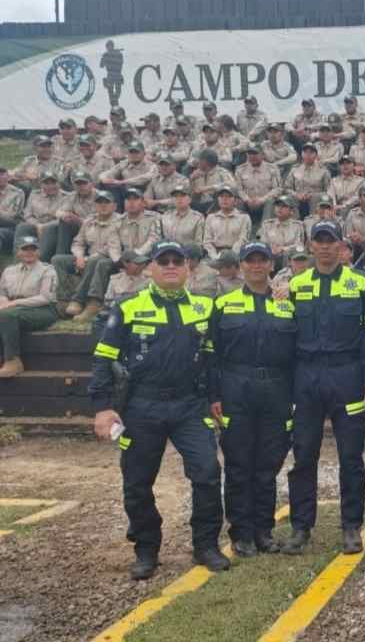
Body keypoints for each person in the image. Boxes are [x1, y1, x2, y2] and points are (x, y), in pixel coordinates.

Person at [89, 240, 227, 580]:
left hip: (189, 404)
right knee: (137, 482)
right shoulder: (128, 306)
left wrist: (214, 397)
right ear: (150, 267)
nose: (170, 266)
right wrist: (103, 408)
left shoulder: (205, 307)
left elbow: (212, 360)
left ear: (187, 268)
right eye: (162, 261)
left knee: (208, 472)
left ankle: (206, 544)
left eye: (176, 261)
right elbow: (104, 359)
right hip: (141, 405)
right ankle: (146, 549)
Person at [284, 221, 365, 555]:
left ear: (342, 246)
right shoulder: (296, 284)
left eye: (330, 241)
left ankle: (351, 526)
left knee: (351, 455)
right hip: (306, 376)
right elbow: (287, 336)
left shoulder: (362, 284)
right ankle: (300, 527)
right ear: (311, 246)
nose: (324, 247)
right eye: (318, 241)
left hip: (346, 373)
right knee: (303, 454)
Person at [207, 242, 295, 557]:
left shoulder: (288, 302)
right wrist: (214, 395)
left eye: (262, 261)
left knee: (269, 463)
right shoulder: (224, 304)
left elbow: (297, 354)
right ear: (241, 266)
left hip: (276, 389)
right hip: (236, 389)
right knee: (239, 463)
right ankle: (241, 533)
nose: (256, 266)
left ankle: (264, 531)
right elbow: (211, 353)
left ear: (271, 265)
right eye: (250, 261)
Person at [54, 190, 122, 323]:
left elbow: (114, 247)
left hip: (110, 259)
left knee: (95, 260)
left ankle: (80, 300)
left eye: (107, 202)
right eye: (99, 202)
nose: (103, 206)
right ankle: (64, 299)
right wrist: (79, 256)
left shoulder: (121, 221)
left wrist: (87, 258)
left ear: (114, 206)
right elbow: (78, 242)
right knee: (58, 260)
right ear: (95, 205)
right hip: (87, 258)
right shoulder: (89, 220)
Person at [0, 237, 58, 378]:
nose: (29, 252)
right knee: (6, 315)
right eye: (25, 249)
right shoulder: (9, 271)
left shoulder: (47, 270)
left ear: (39, 252)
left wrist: (13, 304)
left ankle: (13, 362)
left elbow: (46, 298)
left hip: (42, 310)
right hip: (13, 308)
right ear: (18, 252)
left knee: (7, 316)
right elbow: (2, 292)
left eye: (33, 249)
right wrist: (3, 301)